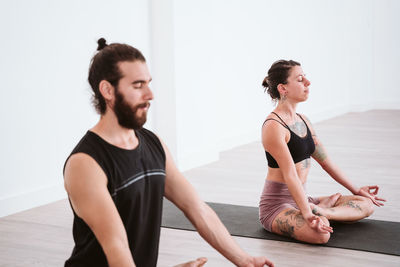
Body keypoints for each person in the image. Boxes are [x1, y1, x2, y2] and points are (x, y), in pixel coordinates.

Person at [63, 38, 274, 267]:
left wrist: (244, 260)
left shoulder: (153, 144)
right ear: (107, 90)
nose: (150, 94)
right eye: (137, 85)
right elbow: (117, 246)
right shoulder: (85, 163)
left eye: (148, 83)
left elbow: (197, 209)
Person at [258, 60, 386, 244]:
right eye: (300, 79)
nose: (308, 83)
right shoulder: (274, 126)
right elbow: (291, 176)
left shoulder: (304, 120)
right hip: (277, 207)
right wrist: (308, 215)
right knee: (321, 235)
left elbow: (327, 163)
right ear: (283, 88)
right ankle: (320, 213)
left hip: (304, 199)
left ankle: (323, 211)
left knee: (366, 204)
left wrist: (357, 190)